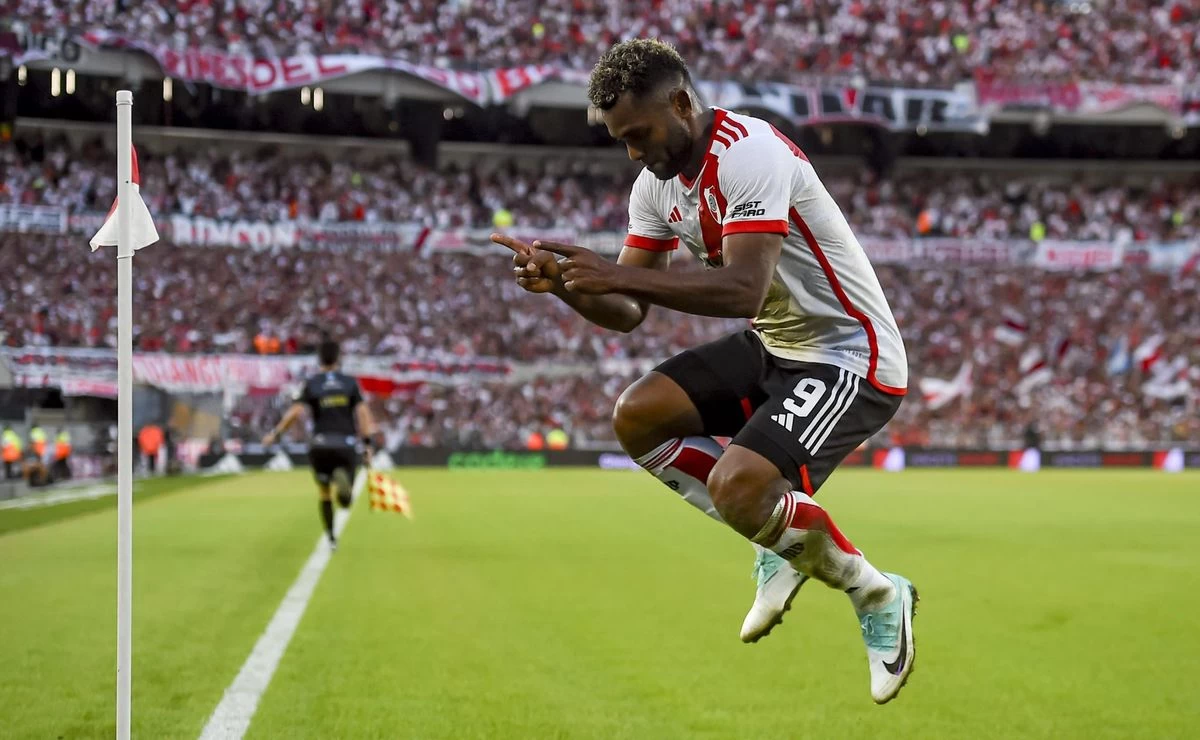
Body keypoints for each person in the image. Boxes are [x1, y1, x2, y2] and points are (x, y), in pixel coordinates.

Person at [493, 39, 915, 703]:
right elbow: (628, 310)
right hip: (777, 344)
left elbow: (743, 289)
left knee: (739, 488)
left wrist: (615, 273)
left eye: (639, 133)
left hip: (849, 354)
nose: (632, 152)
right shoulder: (654, 186)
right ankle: (778, 538)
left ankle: (879, 595)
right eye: (620, 139)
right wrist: (566, 285)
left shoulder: (749, 152)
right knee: (638, 417)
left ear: (682, 104)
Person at [263, 335, 378, 551]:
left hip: (319, 445)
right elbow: (363, 414)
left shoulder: (312, 383)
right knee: (346, 499)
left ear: (319, 359)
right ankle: (343, 484)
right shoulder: (350, 383)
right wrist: (368, 444)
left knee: (324, 493)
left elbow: (295, 412)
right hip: (345, 443)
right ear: (338, 358)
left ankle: (331, 538)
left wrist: (275, 434)